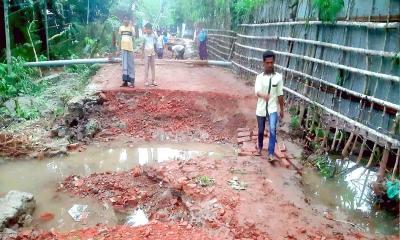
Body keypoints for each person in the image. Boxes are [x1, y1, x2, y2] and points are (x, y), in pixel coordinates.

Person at [255, 50, 285, 162]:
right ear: (263, 63)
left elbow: (280, 94)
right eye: (267, 63)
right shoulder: (259, 77)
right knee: (261, 130)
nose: (270, 65)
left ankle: (271, 154)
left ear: (274, 62)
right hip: (261, 108)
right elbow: (257, 91)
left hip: (272, 108)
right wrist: (263, 95)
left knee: (273, 128)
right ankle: (260, 146)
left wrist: (282, 109)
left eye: (271, 62)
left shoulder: (278, 77)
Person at [118, 15, 135, 87]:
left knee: (130, 65)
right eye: (124, 19)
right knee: (124, 65)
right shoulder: (121, 28)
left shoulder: (131, 28)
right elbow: (119, 38)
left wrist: (131, 26)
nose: (126, 21)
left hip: (130, 48)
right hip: (123, 48)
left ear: (129, 20)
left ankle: (132, 82)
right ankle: (125, 81)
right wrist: (118, 48)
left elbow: (134, 36)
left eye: (127, 19)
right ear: (123, 20)